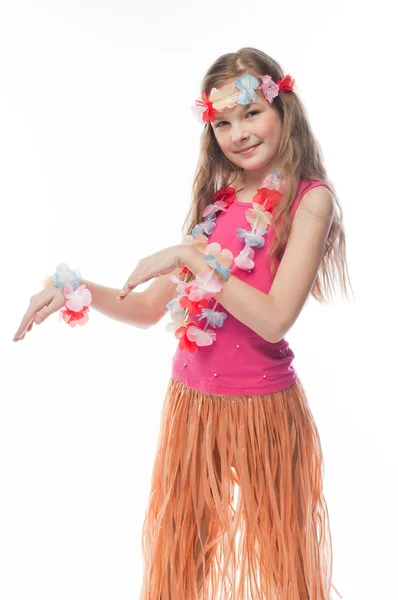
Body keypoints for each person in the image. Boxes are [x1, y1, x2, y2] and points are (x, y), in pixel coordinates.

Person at [13, 47, 352, 600]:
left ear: (281, 108)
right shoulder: (219, 206)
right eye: (221, 121)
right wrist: (74, 289)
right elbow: (149, 310)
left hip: (262, 410)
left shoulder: (309, 202)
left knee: (284, 567)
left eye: (250, 112)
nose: (237, 132)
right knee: (180, 564)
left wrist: (194, 258)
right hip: (192, 405)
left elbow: (273, 321)